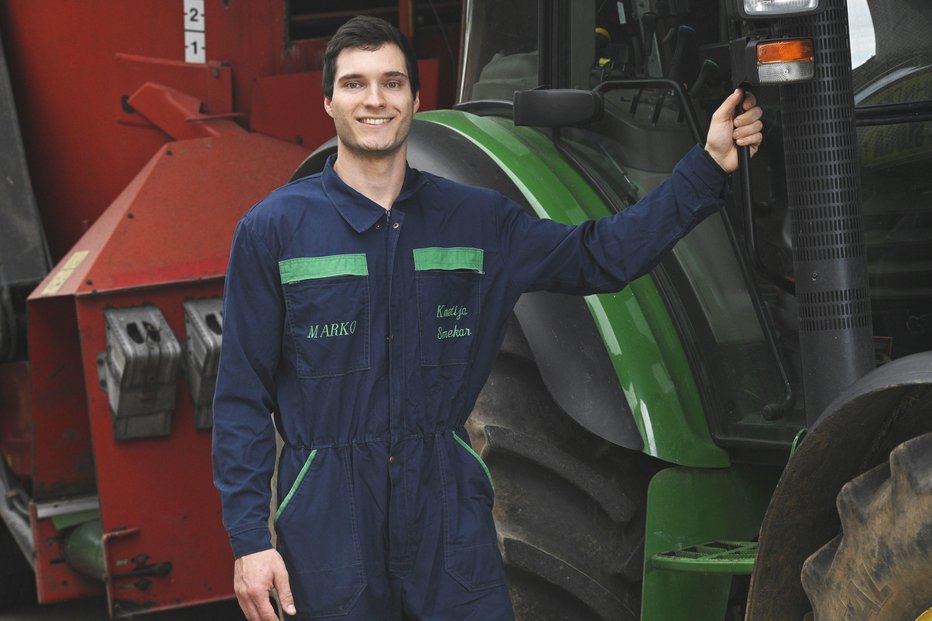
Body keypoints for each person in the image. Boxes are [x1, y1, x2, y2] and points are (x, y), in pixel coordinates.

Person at [212, 14, 763, 621]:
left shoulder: (477, 220)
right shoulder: (274, 231)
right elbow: (241, 397)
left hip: (446, 513)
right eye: (355, 84)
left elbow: (599, 256)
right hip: (327, 520)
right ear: (327, 100)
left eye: (393, 83)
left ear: (417, 100)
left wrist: (706, 167)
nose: (375, 99)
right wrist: (251, 543)